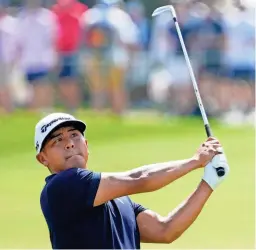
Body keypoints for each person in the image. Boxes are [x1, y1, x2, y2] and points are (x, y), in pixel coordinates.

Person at [35, 112, 229, 249]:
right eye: (57, 140)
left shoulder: (120, 200)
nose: (69, 143)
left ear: (86, 145)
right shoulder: (60, 187)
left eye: (74, 135)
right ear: (43, 158)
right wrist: (195, 161)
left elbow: (165, 230)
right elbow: (140, 179)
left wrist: (209, 183)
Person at [16, 0, 58, 113]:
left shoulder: (47, 16)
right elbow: (18, 41)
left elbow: (53, 38)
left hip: (43, 59)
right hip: (27, 60)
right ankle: (34, 112)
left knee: (43, 86)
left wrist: (54, 56)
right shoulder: (22, 16)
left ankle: (44, 110)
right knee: (31, 89)